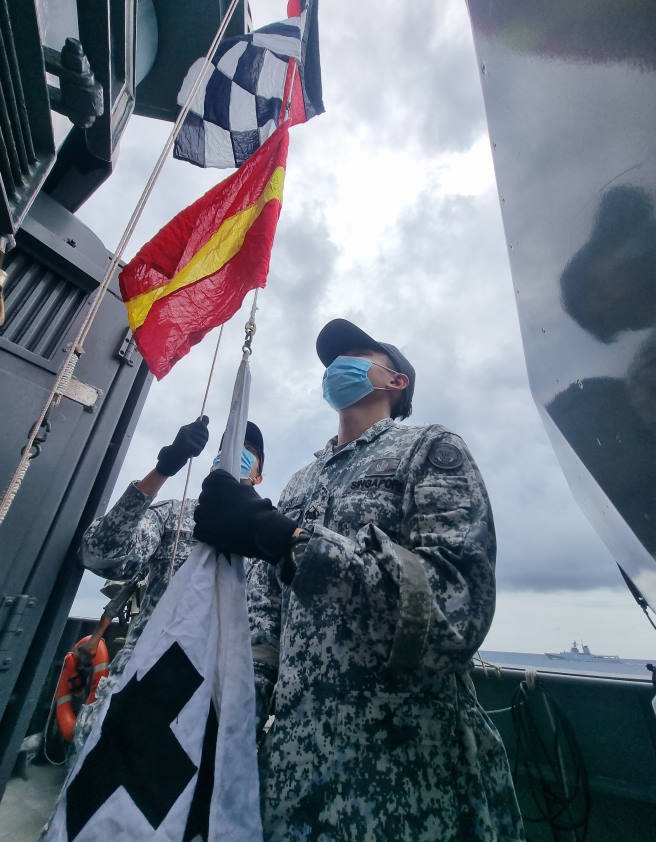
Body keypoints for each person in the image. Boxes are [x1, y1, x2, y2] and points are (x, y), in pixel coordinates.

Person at [193, 319, 525, 842]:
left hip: (407, 787)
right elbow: (264, 622)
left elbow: (454, 608)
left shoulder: (429, 450)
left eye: (355, 354)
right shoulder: (302, 481)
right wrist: (228, 727)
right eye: (331, 361)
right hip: (293, 783)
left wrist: (289, 540)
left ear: (396, 382)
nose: (336, 366)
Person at [72, 417, 265, 753]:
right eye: (227, 449)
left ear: (258, 475)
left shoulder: (270, 536)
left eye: (247, 451)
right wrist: (164, 468)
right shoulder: (172, 515)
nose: (235, 455)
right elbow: (101, 554)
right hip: (138, 686)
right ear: (211, 465)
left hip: (216, 706)